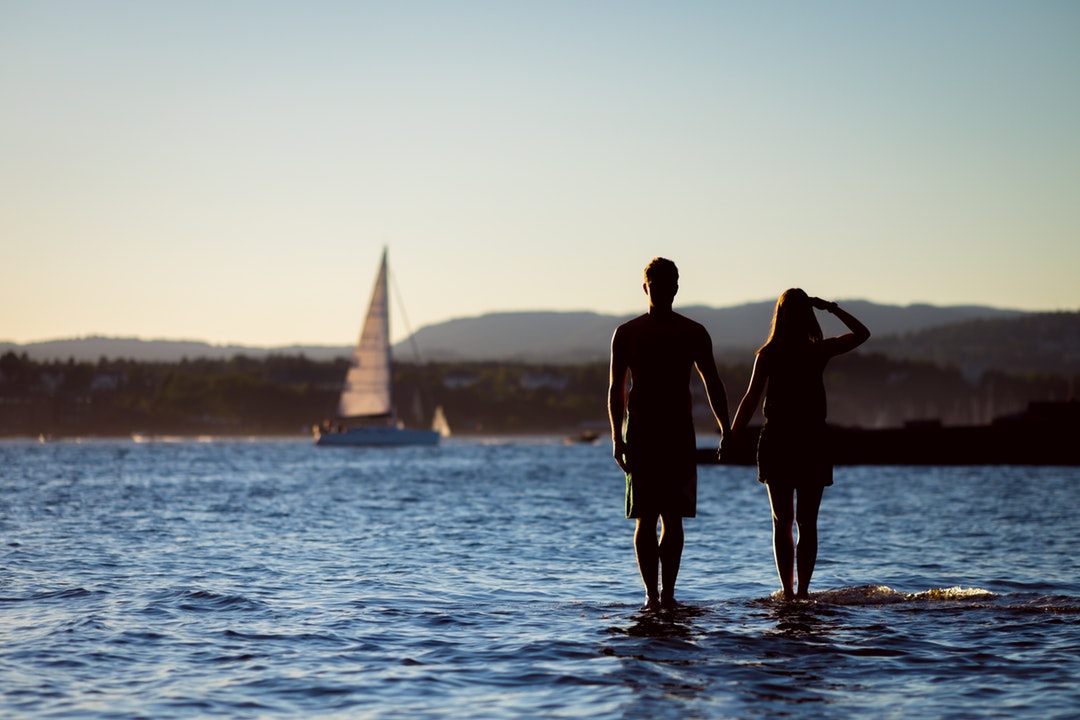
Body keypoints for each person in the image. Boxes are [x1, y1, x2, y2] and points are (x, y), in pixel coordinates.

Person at [730, 289, 870, 600]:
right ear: (807, 315)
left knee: (785, 523)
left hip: (787, 439)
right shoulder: (812, 351)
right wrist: (830, 308)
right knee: (806, 523)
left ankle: (791, 593)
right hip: (804, 439)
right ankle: (800, 592)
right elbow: (862, 333)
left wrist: (731, 435)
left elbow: (751, 398)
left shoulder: (777, 353)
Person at [608, 257, 730, 612]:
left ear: (676, 287)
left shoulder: (692, 332)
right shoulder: (627, 333)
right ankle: (652, 595)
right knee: (648, 517)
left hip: (676, 429)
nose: (662, 289)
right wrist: (617, 436)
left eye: (667, 284)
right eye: (657, 284)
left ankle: (667, 594)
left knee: (671, 517)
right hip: (643, 428)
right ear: (646, 287)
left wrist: (727, 429)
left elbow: (713, 383)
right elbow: (616, 388)